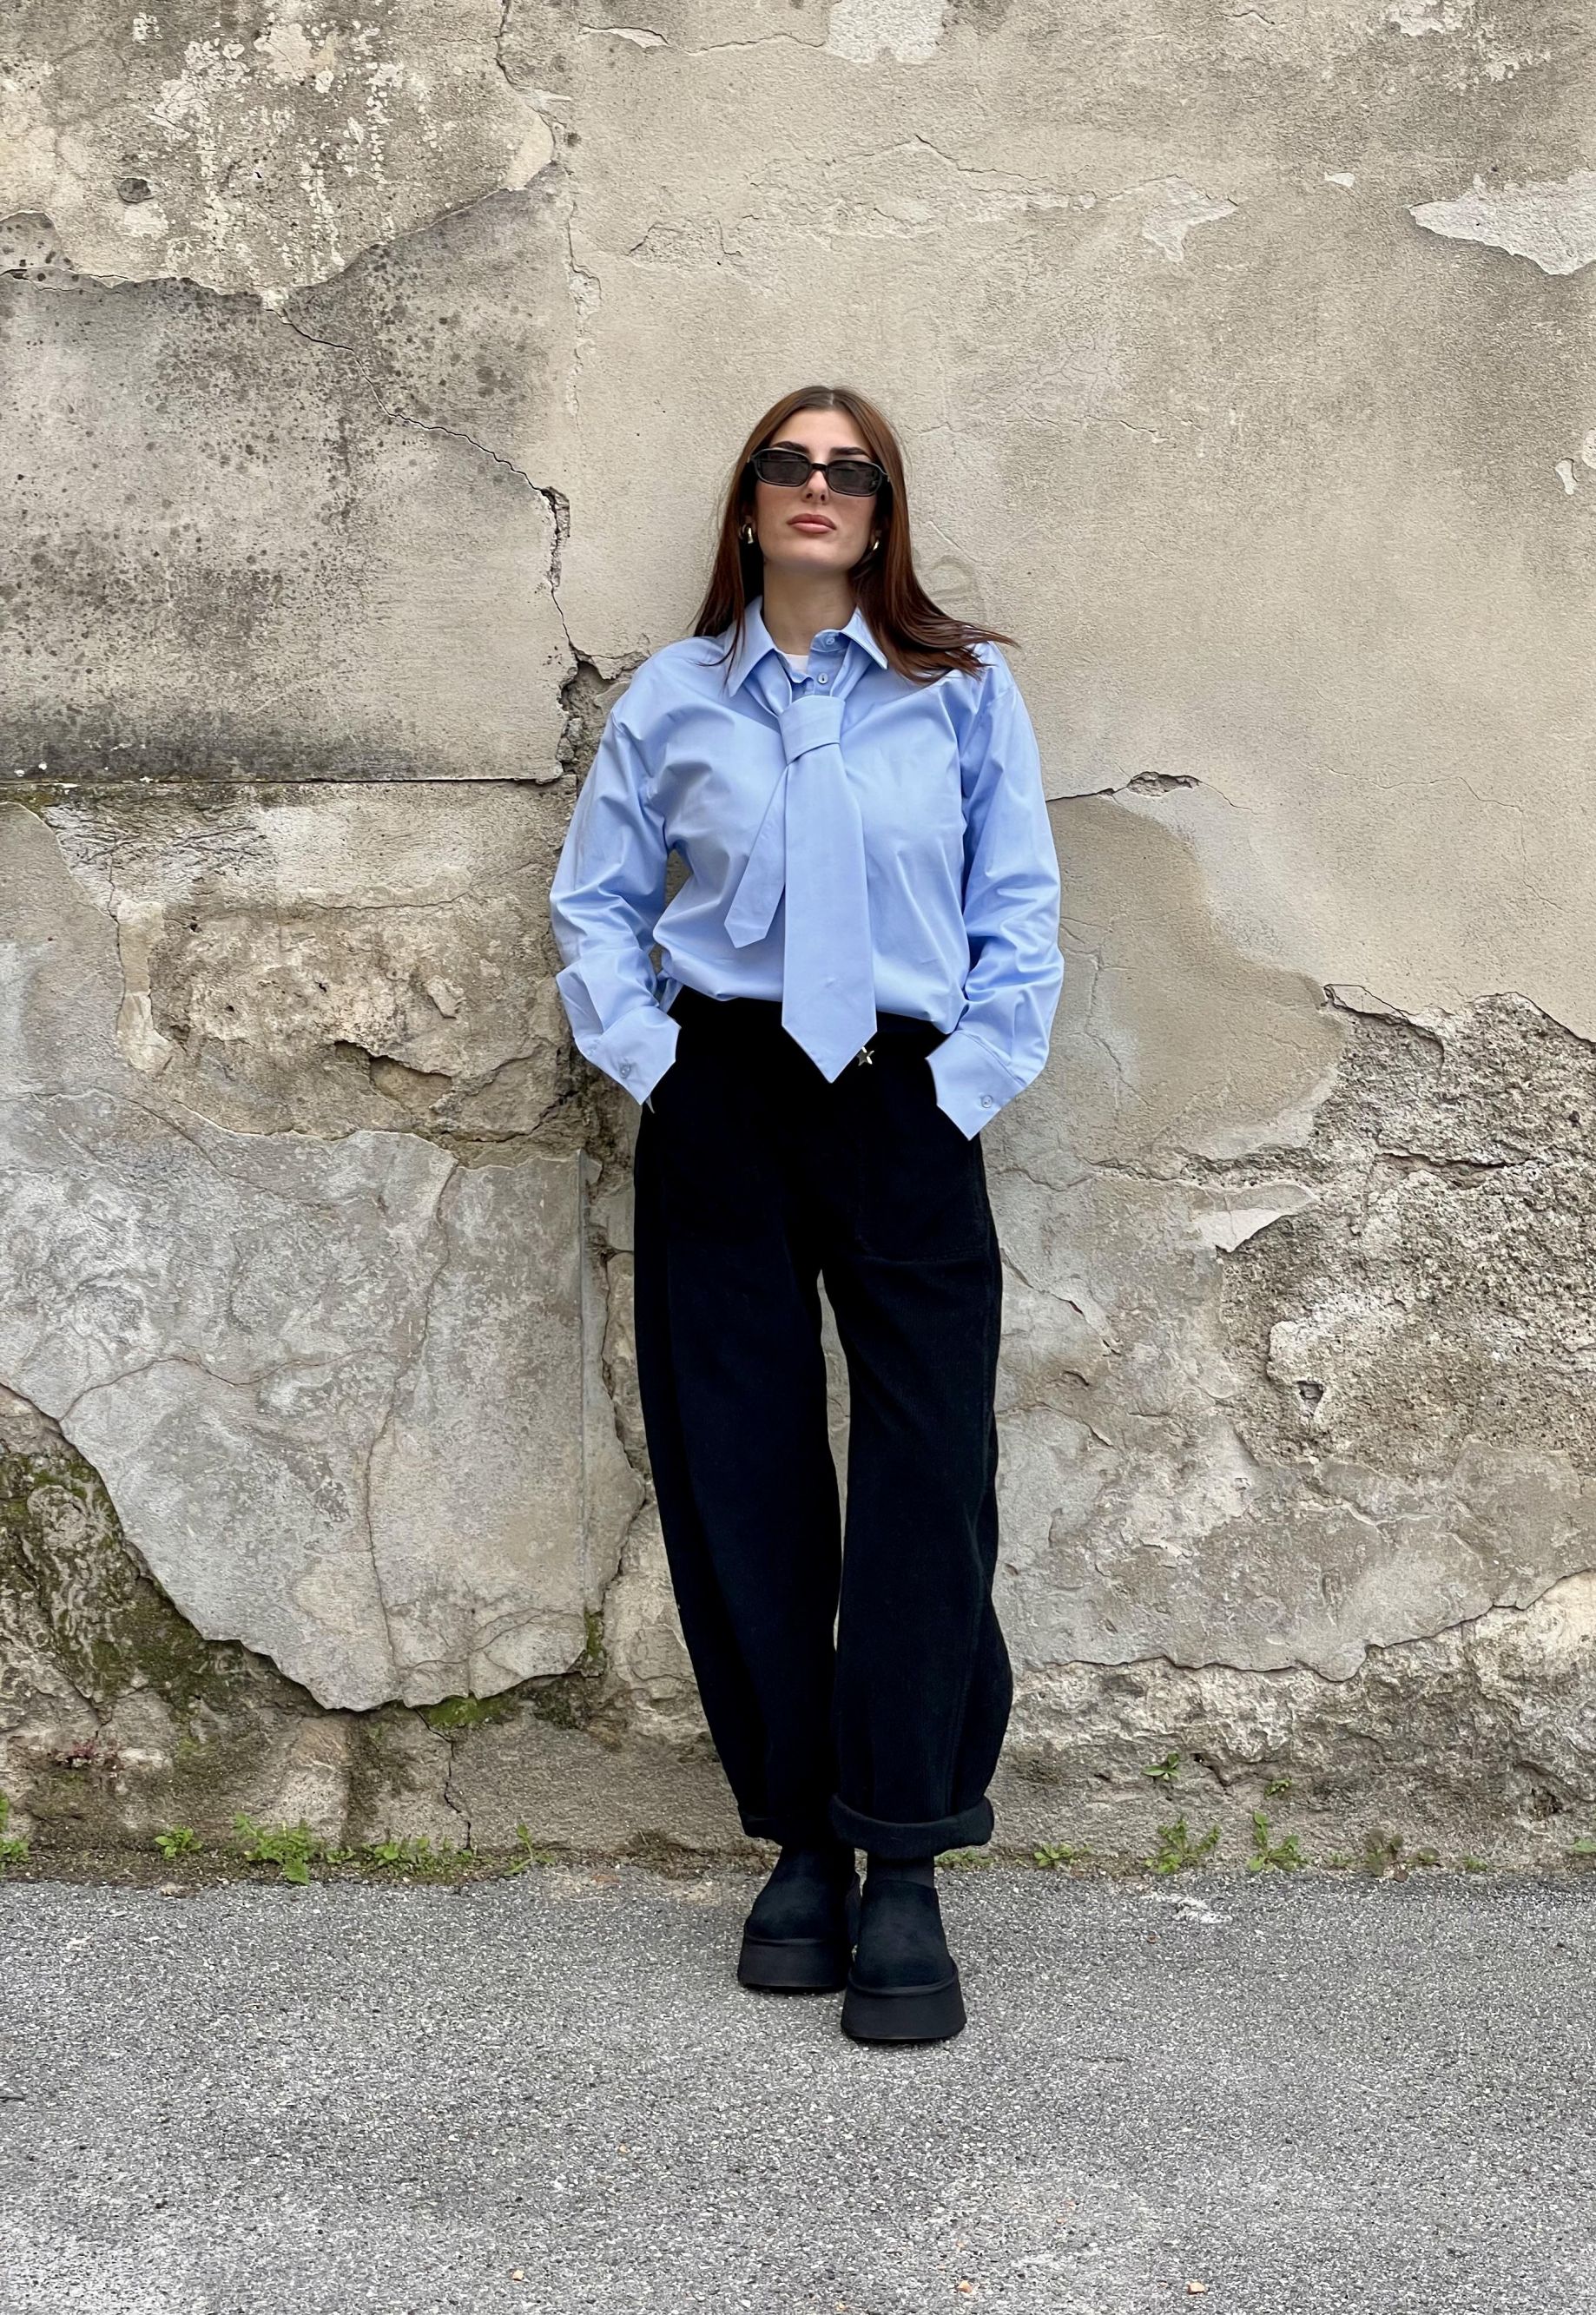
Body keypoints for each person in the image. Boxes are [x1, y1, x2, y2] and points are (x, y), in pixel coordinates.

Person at [548, 384, 1064, 2045]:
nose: (819, 488)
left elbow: (1019, 908)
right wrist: (663, 1071)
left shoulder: (961, 689)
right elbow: (596, 904)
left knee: (929, 1471)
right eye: (791, 464)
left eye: (852, 470)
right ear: (750, 501)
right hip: (729, 1097)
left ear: (885, 508)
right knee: (743, 1464)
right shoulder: (676, 699)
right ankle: (797, 1843)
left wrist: (962, 1087)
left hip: (905, 1098)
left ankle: (903, 1849)